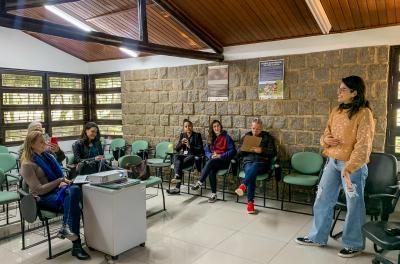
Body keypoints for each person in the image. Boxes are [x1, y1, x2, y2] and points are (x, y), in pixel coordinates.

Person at [296, 75, 375, 258]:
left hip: (352, 166)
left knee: (354, 204)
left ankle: (354, 244)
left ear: (354, 93)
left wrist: (349, 168)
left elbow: (364, 145)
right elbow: (326, 133)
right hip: (332, 163)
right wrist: (326, 140)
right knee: (323, 198)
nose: (338, 92)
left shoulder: (364, 114)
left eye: (343, 89)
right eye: (339, 88)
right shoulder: (336, 111)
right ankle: (317, 237)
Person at [20, 131, 90, 260]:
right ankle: (76, 245)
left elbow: (61, 157)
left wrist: (58, 151)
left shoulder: (47, 156)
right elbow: (39, 190)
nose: (45, 143)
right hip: (42, 198)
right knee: (73, 201)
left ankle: (66, 228)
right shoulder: (27, 165)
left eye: (44, 140)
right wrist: (59, 181)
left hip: (58, 192)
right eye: (41, 142)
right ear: (31, 145)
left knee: (73, 190)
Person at [234, 118, 277, 214]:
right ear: (251, 127)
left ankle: (244, 186)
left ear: (261, 128)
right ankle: (249, 202)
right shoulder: (246, 136)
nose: (255, 131)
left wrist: (261, 150)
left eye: (257, 129)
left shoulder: (267, 137)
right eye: (253, 128)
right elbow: (237, 153)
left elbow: (273, 153)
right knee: (251, 172)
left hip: (262, 163)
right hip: (248, 162)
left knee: (252, 170)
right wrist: (243, 149)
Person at [191, 120, 236, 203]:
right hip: (214, 160)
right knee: (211, 169)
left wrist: (220, 156)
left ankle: (200, 182)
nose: (216, 128)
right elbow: (206, 151)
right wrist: (211, 155)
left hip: (224, 161)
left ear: (220, 127)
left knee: (211, 162)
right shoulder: (210, 137)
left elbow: (233, 151)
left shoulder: (226, 137)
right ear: (212, 128)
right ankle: (213, 194)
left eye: (218, 126)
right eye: (214, 126)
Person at [167, 119, 204, 195]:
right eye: (186, 126)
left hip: (192, 157)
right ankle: (177, 176)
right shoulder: (182, 135)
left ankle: (177, 187)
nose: (188, 128)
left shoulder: (197, 135)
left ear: (192, 126)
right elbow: (177, 149)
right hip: (183, 156)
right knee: (177, 156)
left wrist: (189, 146)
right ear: (184, 128)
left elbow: (200, 149)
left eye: (189, 126)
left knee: (178, 165)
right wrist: (181, 143)